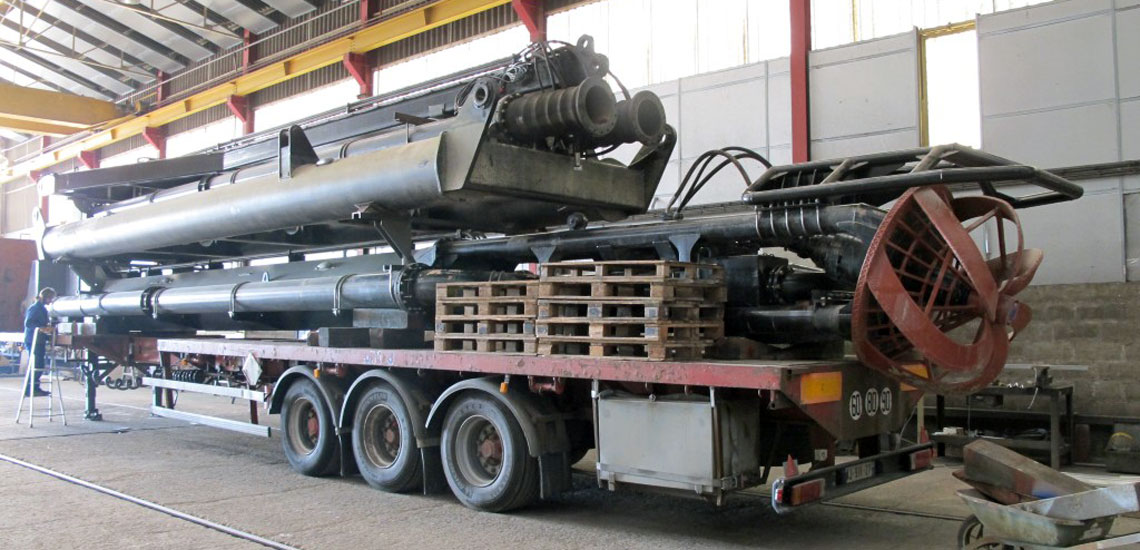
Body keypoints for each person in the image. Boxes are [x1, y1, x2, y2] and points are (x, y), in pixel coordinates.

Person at [23, 287, 56, 397]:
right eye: (50, 298)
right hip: (33, 340)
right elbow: (28, 323)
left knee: (39, 365)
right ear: (45, 297)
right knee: (36, 364)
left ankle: (35, 388)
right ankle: (30, 389)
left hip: (39, 340)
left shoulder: (42, 309)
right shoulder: (35, 308)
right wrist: (41, 328)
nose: (51, 301)